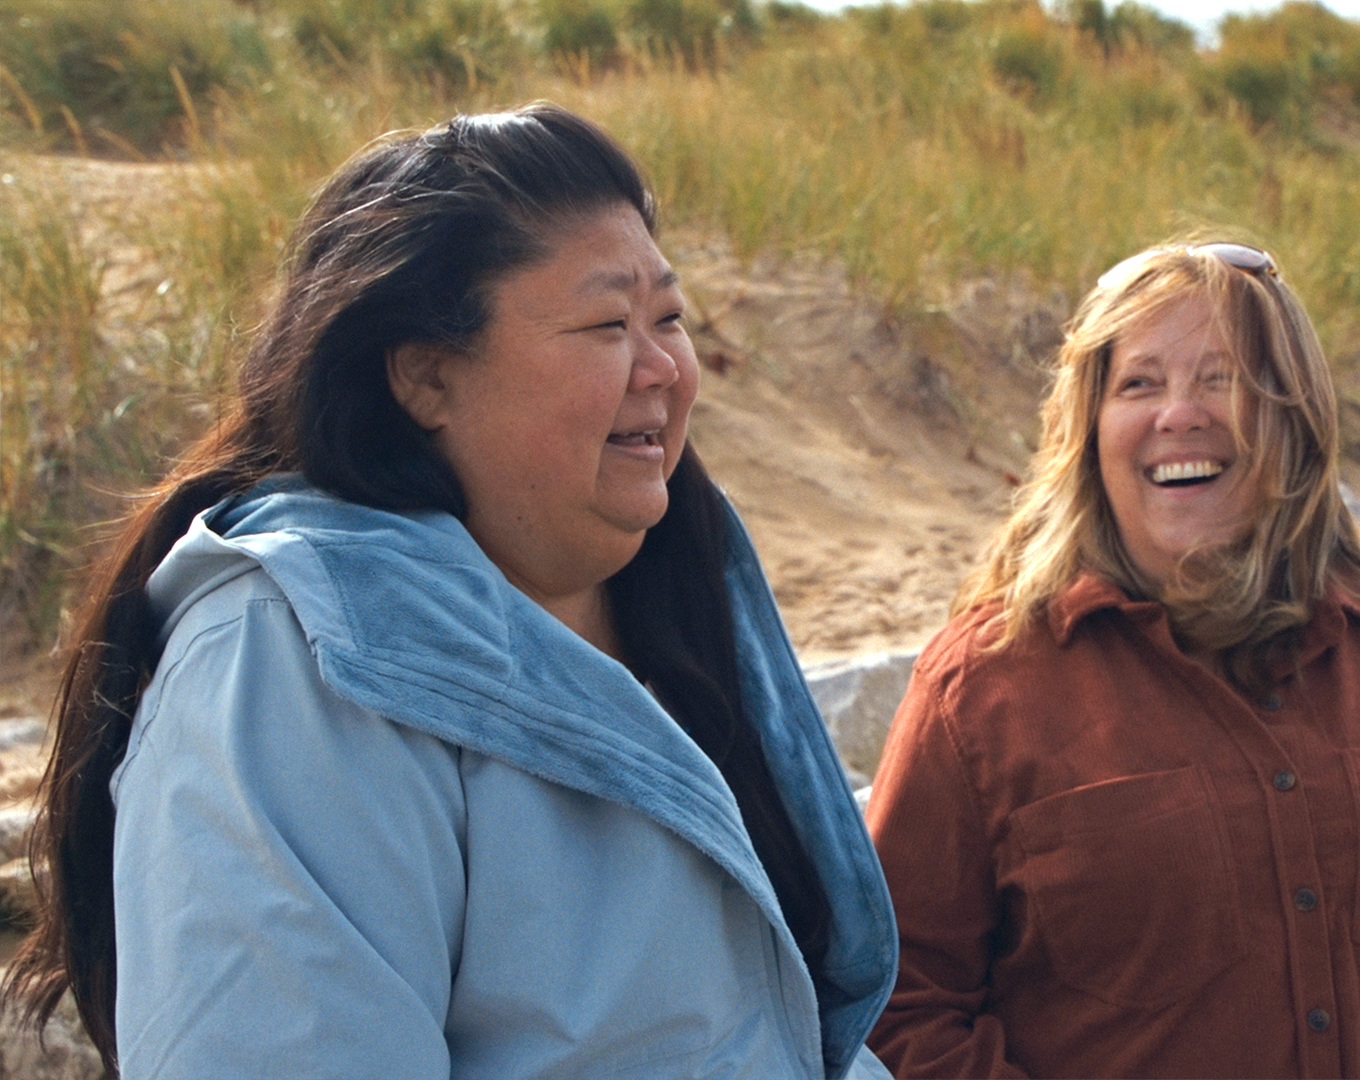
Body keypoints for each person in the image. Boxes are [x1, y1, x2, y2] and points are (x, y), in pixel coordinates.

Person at [3, 102, 896, 1079]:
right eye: (609, 324)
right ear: (426, 377)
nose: (666, 370)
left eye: (670, 318)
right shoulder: (289, 666)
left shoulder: (679, 590)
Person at [863, 240, 1360, 1078]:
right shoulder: (982, 687)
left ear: (1295, 415)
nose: (1180, 415)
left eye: (1222, 378)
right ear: (1088, 432)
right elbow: (897, 1007)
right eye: (1139, 383)